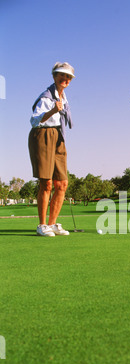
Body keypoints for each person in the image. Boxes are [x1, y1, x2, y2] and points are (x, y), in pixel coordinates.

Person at [28, 62, 75, 237]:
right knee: (46, 183)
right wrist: (53, 110)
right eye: (61, 75)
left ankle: (53, 223)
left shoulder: (64, 98)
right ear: (54, 76)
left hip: (58, 137)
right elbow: (34, 121)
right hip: (42, 135)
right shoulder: (46, 97)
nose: (65, 79)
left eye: (68, 76)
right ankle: (42, 225)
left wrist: (59, 108)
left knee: (62, 183)